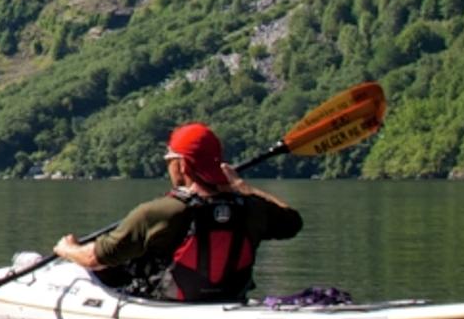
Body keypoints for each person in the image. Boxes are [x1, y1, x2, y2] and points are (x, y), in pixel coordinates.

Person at [51, 121, 300, 303]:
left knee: (85, 268)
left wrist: (67, 248)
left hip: (166, 306)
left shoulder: (159, 211)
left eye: (169, 159)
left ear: (182, 164)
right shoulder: (251, 207)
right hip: (230, 300)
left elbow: (96, 258)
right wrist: (242, 188)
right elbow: (292, 221)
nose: (168, 166)